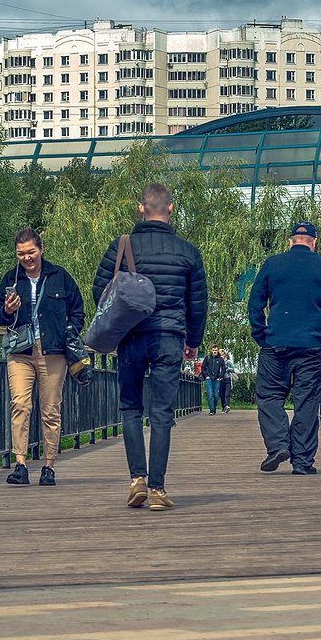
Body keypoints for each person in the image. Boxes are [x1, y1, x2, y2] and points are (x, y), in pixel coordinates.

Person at [93, 183, 207, 511]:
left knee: (131, 408)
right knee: (161, 413)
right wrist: (193, 342)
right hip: (169, 337)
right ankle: (157, 489)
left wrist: (118, 321)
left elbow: (100, 290)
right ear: (170, 209)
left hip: (130, 336)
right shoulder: (188, 252)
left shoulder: (122, 245)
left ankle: (136, 480)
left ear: (140, 209)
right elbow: (197, 303)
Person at [248, 221, 321, 475]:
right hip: (312, 347)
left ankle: (278, 445)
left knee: (269, 397)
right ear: (314, 242)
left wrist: (262, 335)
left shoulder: (272, 264)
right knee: (306, 403)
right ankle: (303, 463)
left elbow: (255, 304)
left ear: (290, 241)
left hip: (275, 345)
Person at [0, 228, 85, 486]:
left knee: (50, 409)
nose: (26, 258)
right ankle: (20, 465)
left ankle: (49, 466)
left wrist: (69, 334)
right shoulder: (11, 278)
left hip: (53, 351)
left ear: (41, 249)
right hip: (20, 351)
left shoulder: (60, 277)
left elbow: (78, 310)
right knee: (20, 404)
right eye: (21, 254)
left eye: (31, 252)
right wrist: (7, 311)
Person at [201, 345, 228, 415]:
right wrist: (206, 376)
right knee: (210, 395)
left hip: (217, 379)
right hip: (208, 379)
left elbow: (224, 368)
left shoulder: (220, 359)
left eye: (216, 350)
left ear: (217, 350)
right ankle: (211, 410)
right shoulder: (207, 358)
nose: (214, 351)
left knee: (216, 396)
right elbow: (203, 367)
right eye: (213, 350)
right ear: (211, 350)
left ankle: (214, 407)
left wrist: (220, 376)